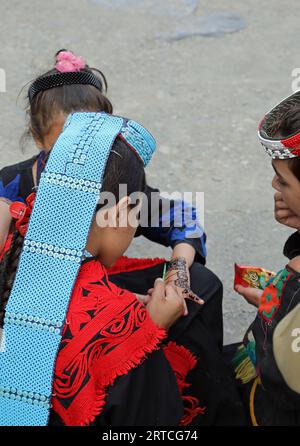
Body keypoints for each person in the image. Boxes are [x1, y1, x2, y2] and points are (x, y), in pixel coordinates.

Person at [228, 91, 300, 426]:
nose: (274, 183)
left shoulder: (291, 290)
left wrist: (271, 310)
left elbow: (277, 376)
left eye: (283, 180)